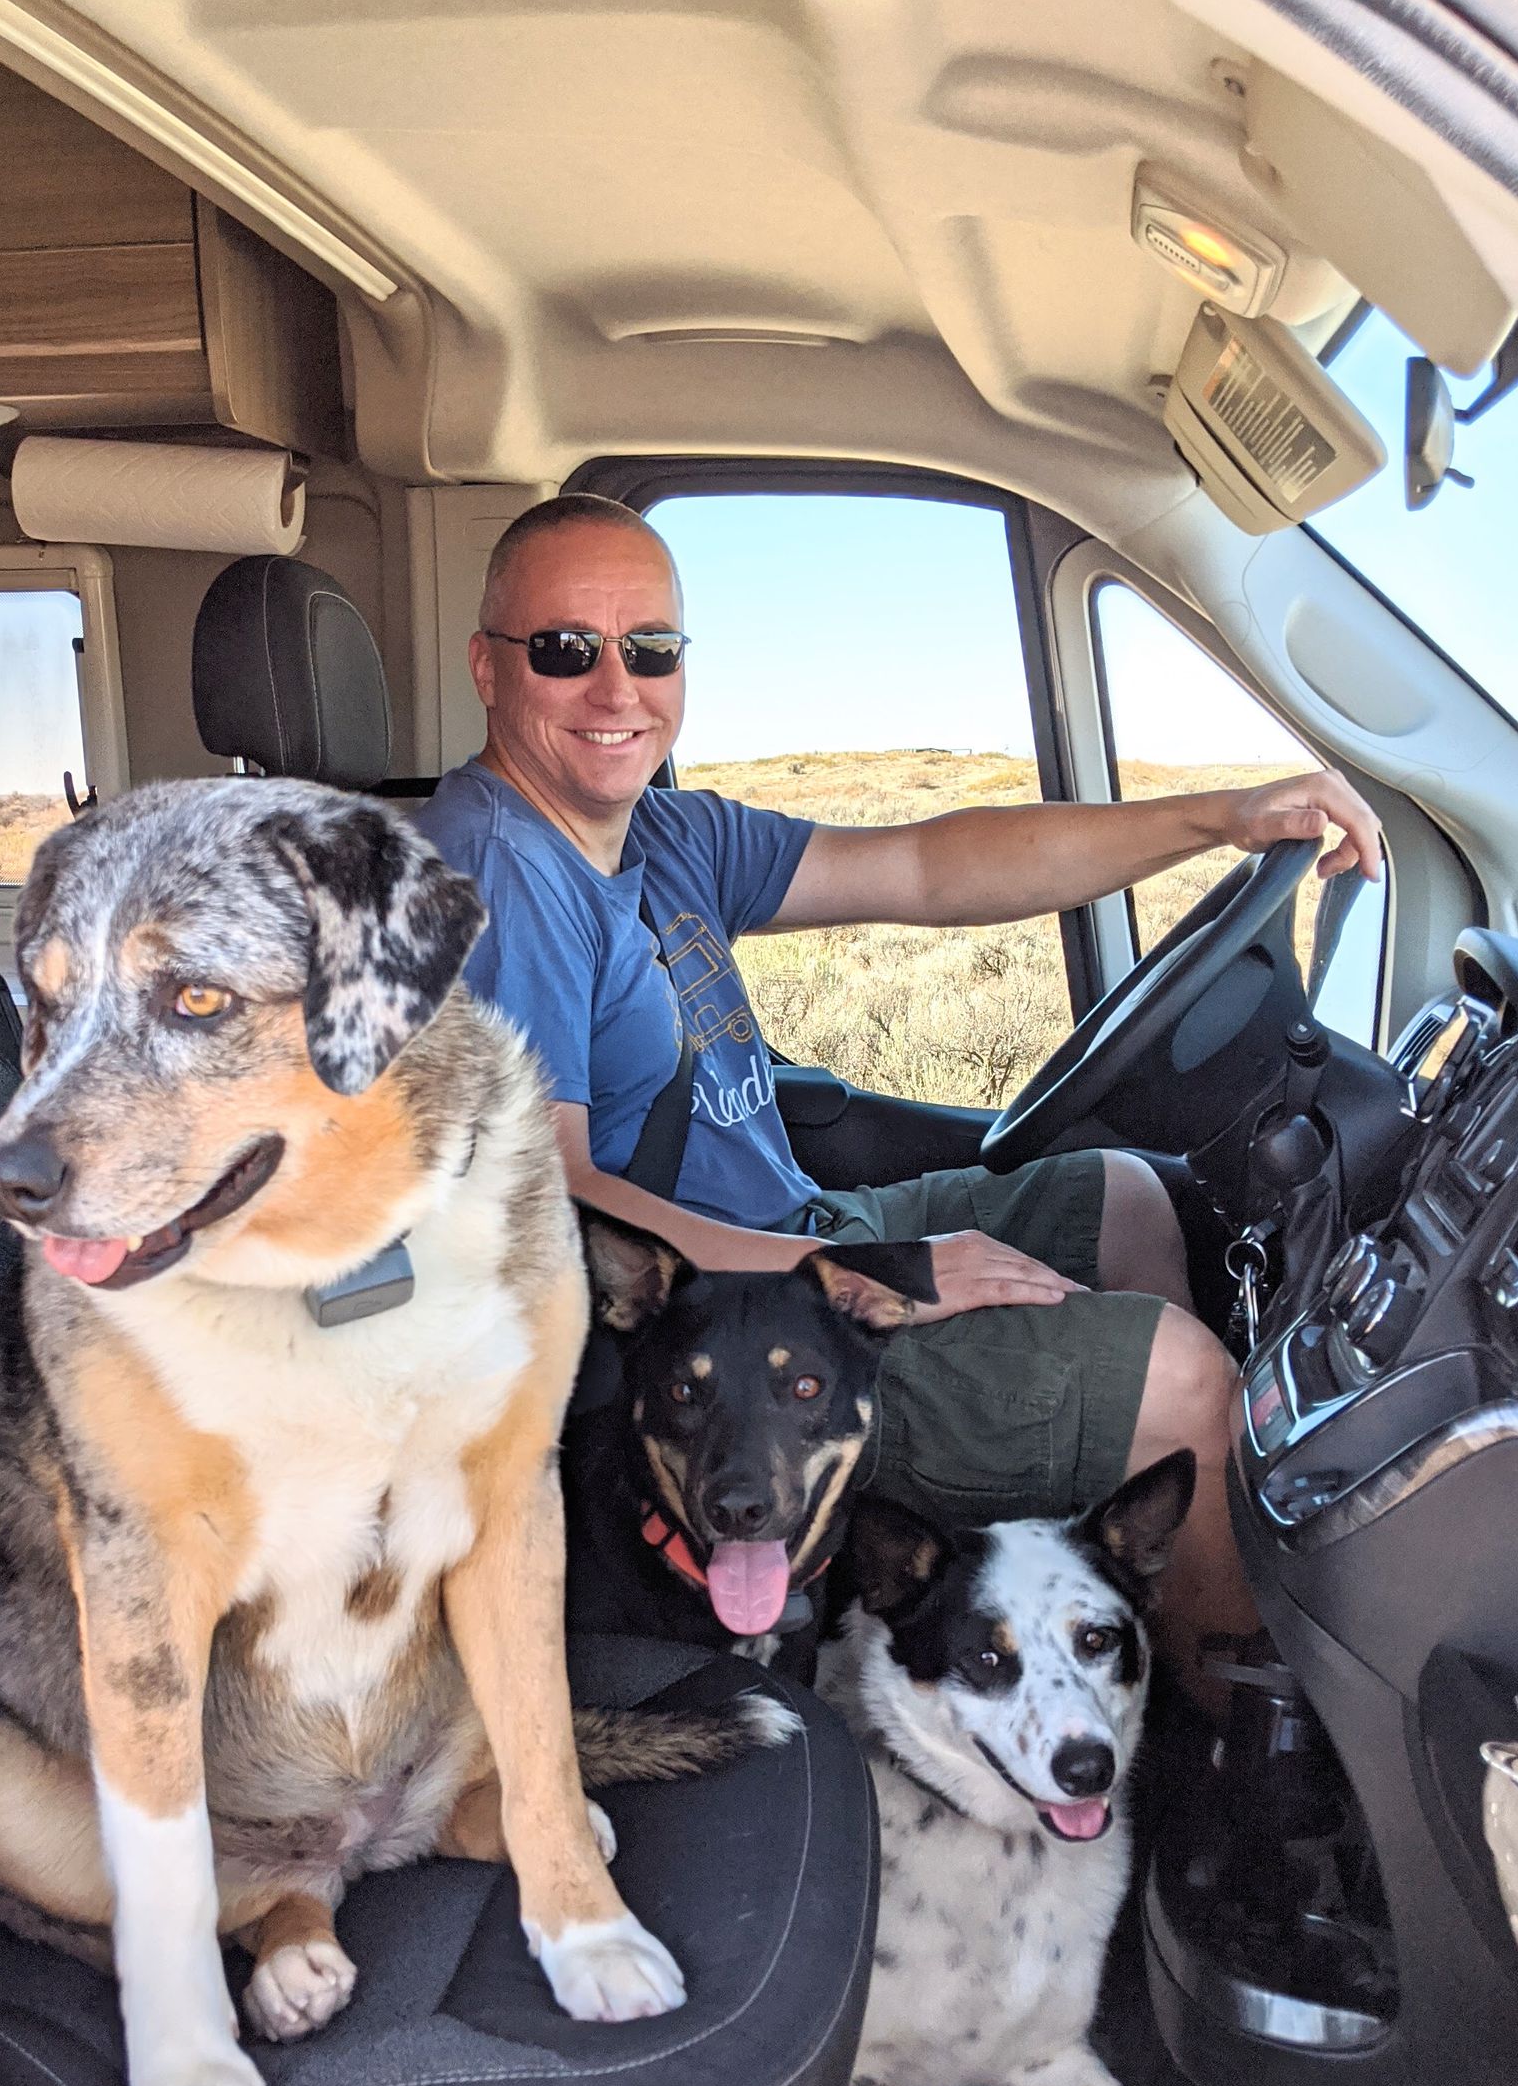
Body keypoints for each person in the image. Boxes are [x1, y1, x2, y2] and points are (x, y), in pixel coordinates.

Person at [415, 496, 1383, 1685]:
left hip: (793, 1241)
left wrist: (1215, 818)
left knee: (1125, 1199)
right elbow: (553, 1205)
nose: (619, 690)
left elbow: (928, 866)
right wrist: (884, 1282)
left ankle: (1083, 1602)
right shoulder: (501, 871)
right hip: (720, 1339)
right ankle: (1221, 1778)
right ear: (487, 668)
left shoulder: (657, 833)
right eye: (567, 650)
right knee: (1185, 1387)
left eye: (650, 649)